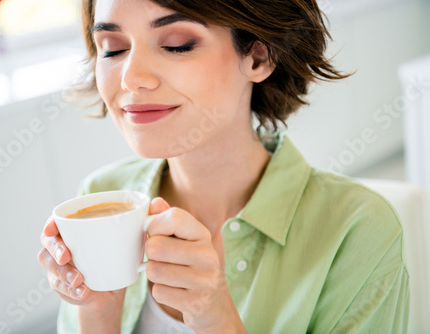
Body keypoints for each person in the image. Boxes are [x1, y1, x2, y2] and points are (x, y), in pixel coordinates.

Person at [38, 0, 410, 333]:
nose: (131, 78)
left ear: (258, 58)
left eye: (176, 45)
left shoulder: (357, 231)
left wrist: (216, 319)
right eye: (114, 48)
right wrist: (97, 313)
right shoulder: (95, 200)